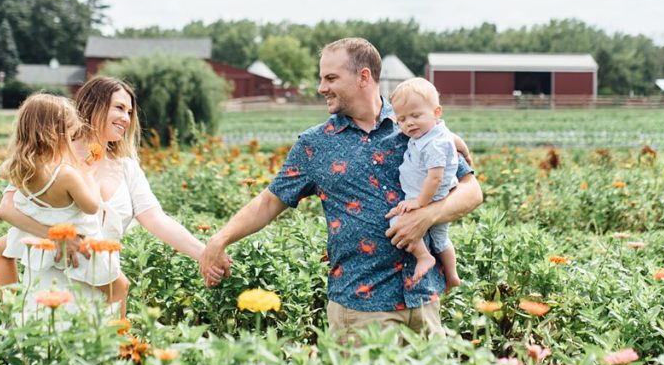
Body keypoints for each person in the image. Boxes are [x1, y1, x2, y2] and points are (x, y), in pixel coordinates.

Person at [199, 38, 483, 343]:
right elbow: (269, 202)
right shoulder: (315, 145)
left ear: (363, 77)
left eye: (331, 78)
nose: (322, 87)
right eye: (322, 78)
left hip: (424, 301)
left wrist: (425, 216)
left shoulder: (414, 125)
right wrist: (220, 238)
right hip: (362, 308)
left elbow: (471, 191)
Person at [0, 76, 227, 305]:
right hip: (52, 283)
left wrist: (205, 255)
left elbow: (156, 219)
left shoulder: (125, 165)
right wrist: (57, 236)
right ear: (94, 105)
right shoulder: (54, 152)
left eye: (129, 112)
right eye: (119, 108)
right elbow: (7, 208)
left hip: (103, 284)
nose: (126, 118)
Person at [0, 93, 128, 310]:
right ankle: (118, 336)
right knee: (120, 286)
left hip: (36, 239)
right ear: (58, 134)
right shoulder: (66, 174)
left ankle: (9, 314)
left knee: (2, 247)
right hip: (78, 242)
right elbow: (92, 206)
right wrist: (88, 174)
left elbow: (6, 207)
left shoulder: (18, 168)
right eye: (71, 134)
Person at [388, 77, 461, 289]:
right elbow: (453, 139)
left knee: (397, 224)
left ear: (437, 113)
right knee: (441, 239)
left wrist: (419, 203)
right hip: (428, 197)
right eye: (402, 119)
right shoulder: (432, 133)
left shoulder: (434, 144)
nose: (409, 123)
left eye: (415, 115)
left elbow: (435, 177)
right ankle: (453, 275)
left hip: (428, 198)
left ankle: (423, 257)